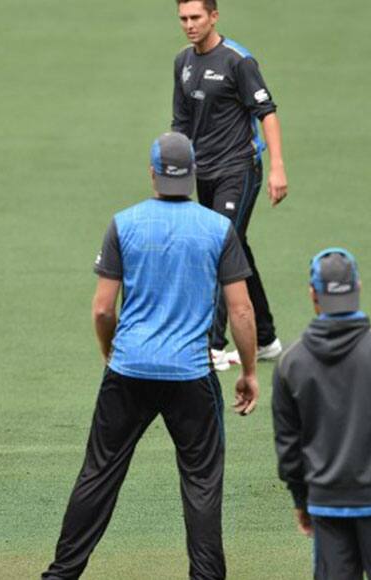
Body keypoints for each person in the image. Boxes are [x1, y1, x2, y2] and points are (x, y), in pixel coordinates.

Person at [42, 132, 258, 580]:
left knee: (99, 475)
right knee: (201, 483)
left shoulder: (125, 223)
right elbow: (240, 308)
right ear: (194, 172)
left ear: (153, 173)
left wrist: (109, 349)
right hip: (190, 374)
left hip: (129, 369)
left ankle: (61, 575)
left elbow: (103, 308)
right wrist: (249, 372)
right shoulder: (218, 229)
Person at [171, 0, 289, 370]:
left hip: (239, 169)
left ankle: (212, 344)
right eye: (184, 19)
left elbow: (266, 112)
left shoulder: (238, 60)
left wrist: (277, 168)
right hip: (203, 173)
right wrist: (176, 169)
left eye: (196, 17)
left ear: (214, 16)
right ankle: (266, 338)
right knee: (238, 246)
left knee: (219, 246)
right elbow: (181, 123)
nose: (189, 25)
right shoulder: (183, 63)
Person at [272, 248, 371, 579]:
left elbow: (288, 445)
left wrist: (300, 499)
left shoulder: (291, 362)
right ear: (357, 287)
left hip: (326, 503)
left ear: (313, 294)